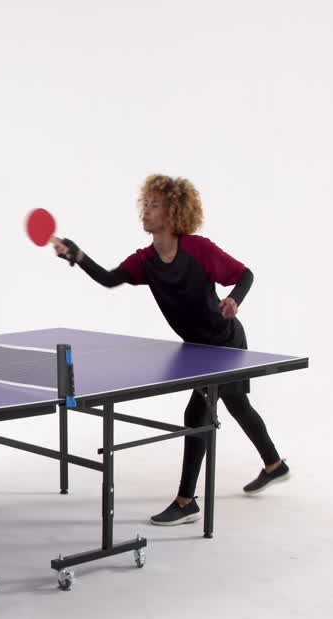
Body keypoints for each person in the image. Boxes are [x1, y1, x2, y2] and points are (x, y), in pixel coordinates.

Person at [50, 174, 291, 527]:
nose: (145, 211)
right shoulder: (145, 260)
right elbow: (109, 278)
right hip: (197, 348)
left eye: (155, 205)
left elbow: (245, 274)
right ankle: (275, 465)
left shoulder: (199, 249)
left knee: (197, 417)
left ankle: (186, 501)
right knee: (238, 405)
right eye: (145, 204)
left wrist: (234, 300)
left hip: (225, 345)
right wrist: (77, 254)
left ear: (174, 211)